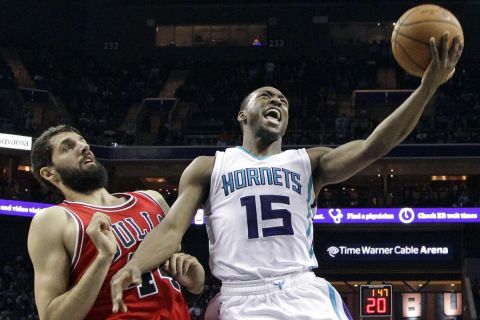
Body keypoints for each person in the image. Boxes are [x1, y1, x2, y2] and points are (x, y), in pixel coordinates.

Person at [111, 33, 463, 319]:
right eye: (266, 96)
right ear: (242, 115)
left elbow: (373, 147)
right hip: (241, 296)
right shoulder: (209, 166)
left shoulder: (308, 162)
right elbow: (172, 229)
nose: (277, 100)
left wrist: (426, 88)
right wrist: (135, 266)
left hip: (302, 290)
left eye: (282, 100)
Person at [28, 125, 205, 320]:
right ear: (49, 173)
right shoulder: (55, 219)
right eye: (68, 147)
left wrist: (194, 285)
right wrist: (103, 258)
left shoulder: (152, 199)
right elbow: (52, 317)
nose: (84, 146)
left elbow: (165, 285)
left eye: (82, 141)